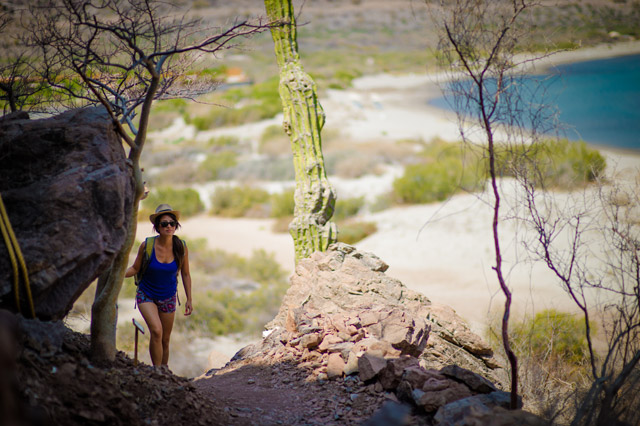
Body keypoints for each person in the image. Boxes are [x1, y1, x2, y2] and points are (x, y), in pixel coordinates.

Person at [125, 204, 193, 370]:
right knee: (156, 331)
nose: (168, 226)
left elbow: (185, 274)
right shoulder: (147, 246)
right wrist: (116, 273)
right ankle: (157, 372)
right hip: (146, 295)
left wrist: (189, 299)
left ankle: (164, 372)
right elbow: (135, 268)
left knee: (165, 339)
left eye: (172, 223)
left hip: (168, 297)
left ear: (176, 226)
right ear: (156, 227)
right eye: (164, 223)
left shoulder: (181, 247)